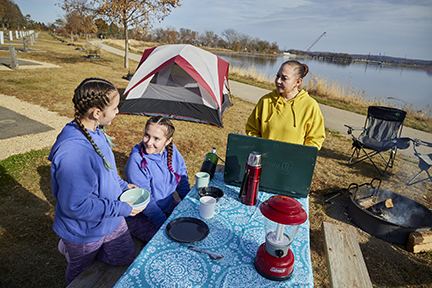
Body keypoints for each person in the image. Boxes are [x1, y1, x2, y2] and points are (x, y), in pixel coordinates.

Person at [48, 78, 143, 285]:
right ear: (96, 112)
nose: (118, 111)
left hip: (110, 217)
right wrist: (122, 208)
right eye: (115, 107)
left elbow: (107, 172)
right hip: (83, 229)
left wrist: (122, 186)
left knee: (125, 257)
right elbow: (76, 206)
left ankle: (85, 247)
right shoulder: (73, 152)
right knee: (81, 273)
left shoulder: (96, 131)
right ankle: (69, 245)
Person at [125, 116, 190, 242]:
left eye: (156, 139)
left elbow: (182, 180)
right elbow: (146, 201)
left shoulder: (172, 151)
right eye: (147, 135)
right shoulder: (136, 161)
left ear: (167, 141)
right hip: (141, 216)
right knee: (170, 241)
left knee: (191, 224)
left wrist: (188, 204)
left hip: (167, 205)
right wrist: (164, 224)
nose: (149, 142)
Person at [245, 60, 325, 150]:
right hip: (265, 159)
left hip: (293, 162)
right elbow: (252, 128)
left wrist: (302, 156)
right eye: (278, 76)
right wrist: (259, 148)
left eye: (284, 78)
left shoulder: (310, 106)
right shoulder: (265, 101)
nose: (278, 81)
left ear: (298, 82)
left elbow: (315, 139)